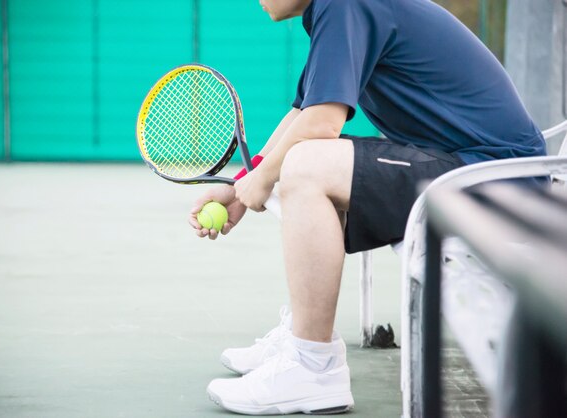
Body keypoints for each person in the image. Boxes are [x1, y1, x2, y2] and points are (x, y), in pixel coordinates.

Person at [188, 0, 546, 414]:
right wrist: (238, 188)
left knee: (306, 164)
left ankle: (313, 367)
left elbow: (322, 124)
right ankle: (305, 342)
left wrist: (263, 178)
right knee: (304, 159)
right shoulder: (337, 9)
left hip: (494, 184)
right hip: (474, 173)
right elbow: (302, 113)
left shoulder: (345, 4)